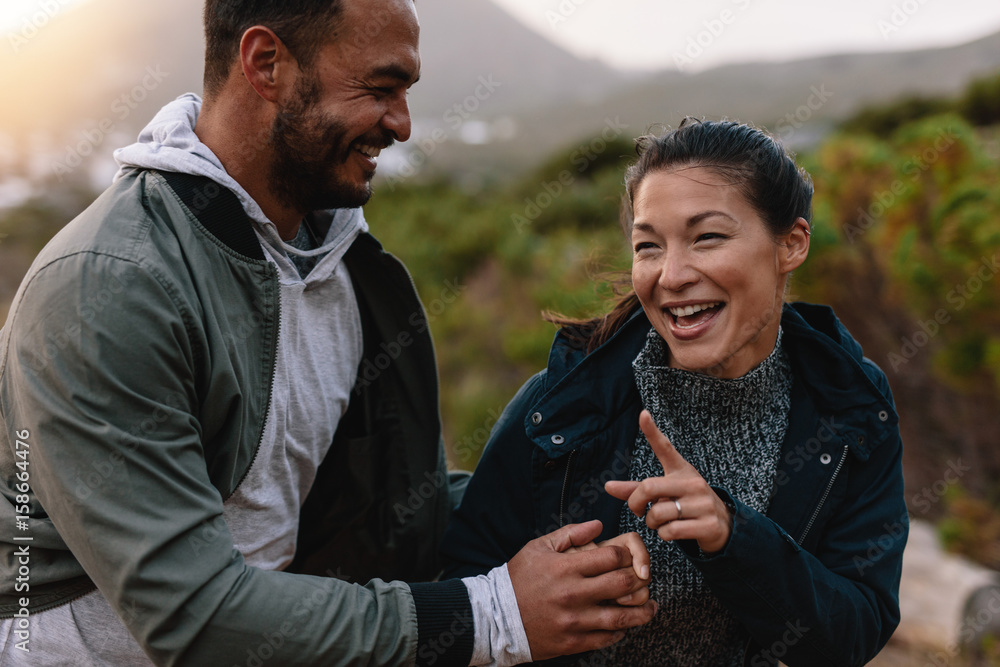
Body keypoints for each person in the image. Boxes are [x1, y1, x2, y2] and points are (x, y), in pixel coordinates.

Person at [0, 0, 656, 665]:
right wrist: (493, 613)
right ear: (266, 64)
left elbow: (399, 511)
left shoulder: (344, 265)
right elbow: (191, 617)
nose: (401, 124)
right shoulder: (109, 288)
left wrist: (606, 522)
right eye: (380, 89)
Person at [441, 119, 908, 666]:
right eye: (648, 246)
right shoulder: (563, 401)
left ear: (791, 244)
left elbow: (855, 631)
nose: (672, 275)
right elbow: (465, 590)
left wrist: (735, 539)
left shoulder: (849, 404)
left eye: (707, 237)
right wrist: (543, 593)